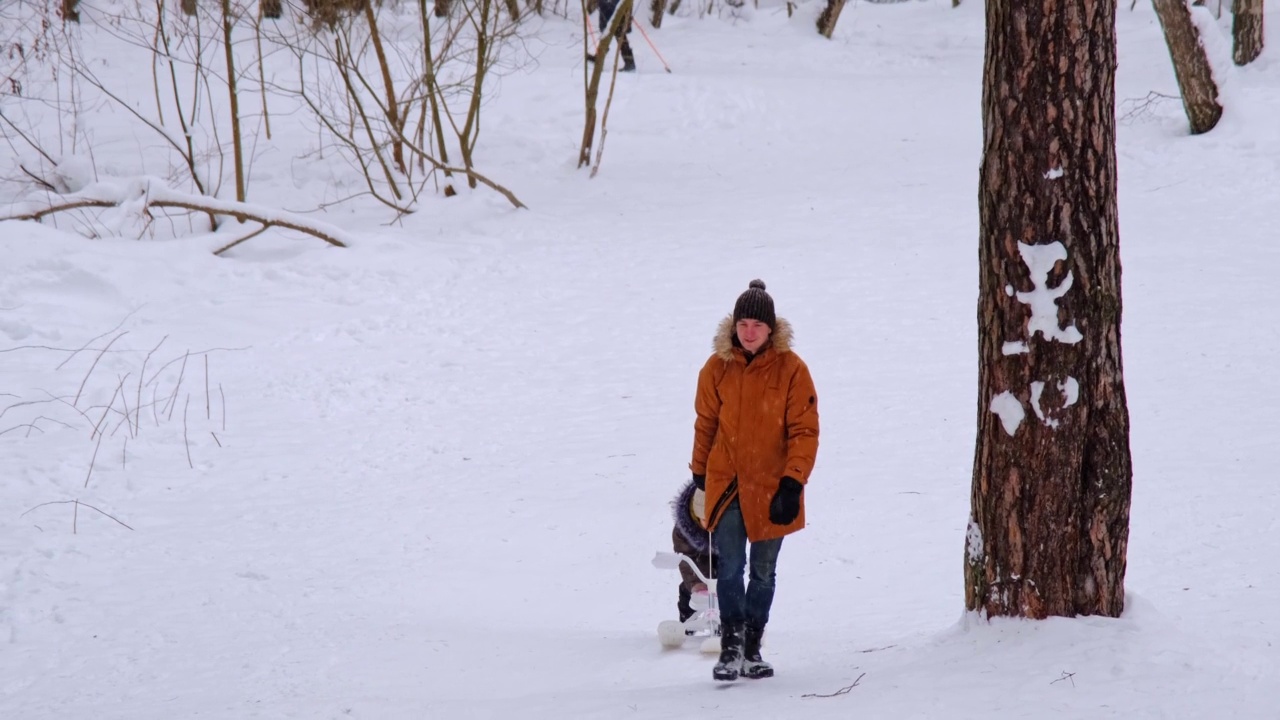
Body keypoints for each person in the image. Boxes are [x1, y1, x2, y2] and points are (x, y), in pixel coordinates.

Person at [689, 279, 819, 682]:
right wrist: (698, 476)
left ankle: (752, 646)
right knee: (729, 567)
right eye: (743, 323)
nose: (749, 332)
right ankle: (730, 647)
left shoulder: (793, 370)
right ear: (734, 326)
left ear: (770, 329)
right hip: (727, 483)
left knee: (764, 572)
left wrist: (793, 483)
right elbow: (705, 424)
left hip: (772, 487)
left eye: (757, 326)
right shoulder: (716, 368)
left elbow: (804, 430)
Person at [671, 479, 713, 625]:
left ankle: (728, 624)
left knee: (730, 589)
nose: (707, 525)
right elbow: (684, 559)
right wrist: (695, 583)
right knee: (687, 591)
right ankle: (687, 622)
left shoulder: (727, 525)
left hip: (721, 563)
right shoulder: (683, 530)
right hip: (697, 564)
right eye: (703, 519)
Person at [594, 0, 636, 72]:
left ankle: (629, 62)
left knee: (618, 34)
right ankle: (599, 57)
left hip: (616, 10)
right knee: (611, 34)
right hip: (613, 9)